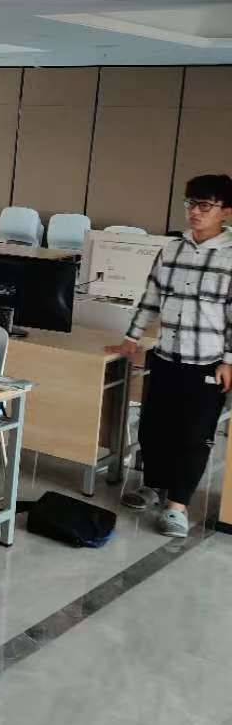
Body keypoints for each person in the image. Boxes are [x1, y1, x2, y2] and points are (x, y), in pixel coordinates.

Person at [114, 173, 232, 538]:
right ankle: (153, 486)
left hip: (207, 362)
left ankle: (177, 506)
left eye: (204, 205)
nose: (194, 212)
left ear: (226, 211)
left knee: (194, 436)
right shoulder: (171, 250)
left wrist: (229, 360)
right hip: (165, 356)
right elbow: (150, 298)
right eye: (190, 203)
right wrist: (131, 338)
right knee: (154, 427)